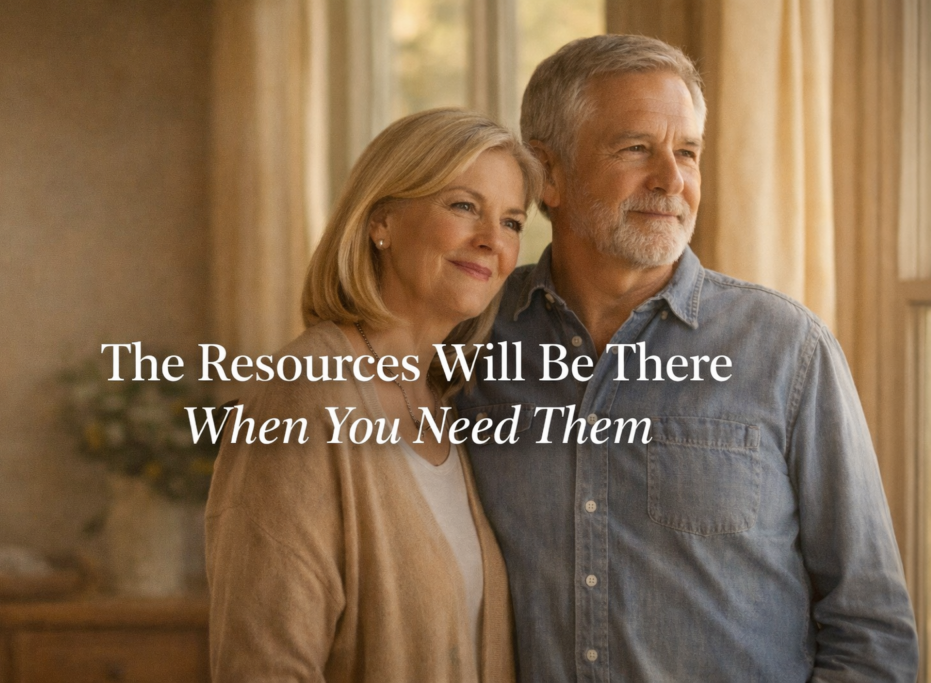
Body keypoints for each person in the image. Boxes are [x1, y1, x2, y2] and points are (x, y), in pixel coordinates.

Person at [454, 34, 919, 682]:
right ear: (548, 174)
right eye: (636, 148)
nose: (672, 180)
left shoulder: (787, 349)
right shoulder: (471, 343)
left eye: (688, 153)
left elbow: (872, 632)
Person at [205, 108, 543, 683]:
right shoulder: (303, 396)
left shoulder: (451, 402)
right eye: (464, 206)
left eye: (512, 222)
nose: (492, 241)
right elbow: (264, 665)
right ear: (381, 221)